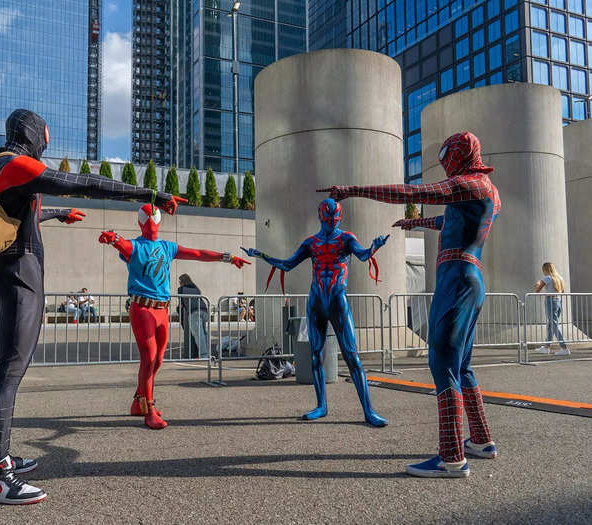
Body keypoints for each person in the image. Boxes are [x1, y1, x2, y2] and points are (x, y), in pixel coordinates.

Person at [0, 109, 185, 505]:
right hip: (21, 277)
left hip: (0, 274)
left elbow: (21, 214)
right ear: (32, 134)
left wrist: (58, 213)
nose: (47, 145)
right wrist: (149, 194)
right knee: (7, 370)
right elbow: (83, 183)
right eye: (45, 137)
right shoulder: (19, 164)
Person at [320, 131, 499, 478]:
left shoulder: (469, 184)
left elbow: (414, 192)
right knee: (462, 365)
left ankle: (451, 458)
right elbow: (450, 221)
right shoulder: (483, 190)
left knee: (443, 362)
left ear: (457, 156)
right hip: (470, 274)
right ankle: (480, 439)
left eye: (447, 157)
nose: (445, 165)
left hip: (456, 275)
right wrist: (416, 222)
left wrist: (354, 190)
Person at [99, 203, 249, 430]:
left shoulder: (167, 247)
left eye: (153, 216)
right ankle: (148, 408)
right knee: (149, 359)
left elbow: (198, 254)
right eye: (147, 216)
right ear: (141, 222)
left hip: (162, 309)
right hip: (143, 308)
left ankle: (139, 401)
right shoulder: (134, 247)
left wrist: (228, 257)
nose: (151, 219)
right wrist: (111, 237)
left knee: (158, 359)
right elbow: (119, 243)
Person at [242, 198, 389, 426]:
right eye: (328, 217)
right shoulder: (311, 243)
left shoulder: (346, 238)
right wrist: (262, 256)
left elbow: (361, 255)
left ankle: (369, 411)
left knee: (352, 356)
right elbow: (288, 264)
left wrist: (374, 247)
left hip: (338, 300)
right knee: (315, 354)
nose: (332, 221)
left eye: (335, 217)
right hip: (317, 301)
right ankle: (321, 405)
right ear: (321, 216)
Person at [533, 262, 569, 356]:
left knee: (554, 324)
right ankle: (546, 347)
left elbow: (537, 290)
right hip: (558, 301)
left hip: (550, 301)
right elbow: (563, 291)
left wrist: (537, 283)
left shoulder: (547, 278)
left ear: (545, 269)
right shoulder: (559, 278)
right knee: (551, 324)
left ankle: (564, 347)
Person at [177, 274, 209, 358]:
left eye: (180, 281)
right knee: (204, 333)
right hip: (204, 310)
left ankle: (204, 355)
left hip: (194, 311)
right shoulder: (195, 288)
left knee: (198, 335)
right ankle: (207, 353)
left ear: (182, 282)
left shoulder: (181, 289)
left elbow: (181, 304)